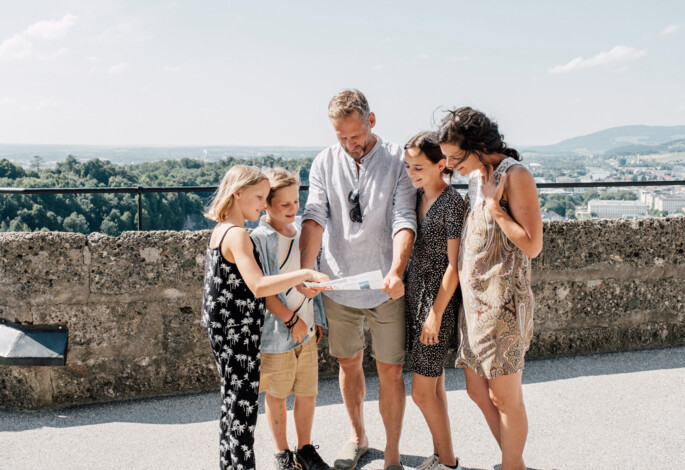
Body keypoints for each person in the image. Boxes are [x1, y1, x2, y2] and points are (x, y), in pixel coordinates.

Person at [300, 89, 417, 470]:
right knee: (348, 364)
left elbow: (404, 218)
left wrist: (397, 271)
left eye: (355, 135)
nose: (350, 145)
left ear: (372, 120)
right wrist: (306, 271)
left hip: (385, 285)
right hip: (338, 283)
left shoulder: (398, 159)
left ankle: (393, 453)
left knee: (391, 370)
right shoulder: (324, 161)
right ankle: (358, 439)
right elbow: (314, 215)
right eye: (341, 137)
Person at [200, 165, 328, 470]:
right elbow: (258, 286)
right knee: (243, 412)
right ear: (237, 193)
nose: (262, 202)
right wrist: (305, 273)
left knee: (231, 406)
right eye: (259, 196)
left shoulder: (220, 230)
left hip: (222, 330)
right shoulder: (239, 236)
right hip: (238, 332)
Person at [437, 107, 543, 470]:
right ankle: (515, 463)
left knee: (504, 397)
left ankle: (512, 465)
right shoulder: (476, 177)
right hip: (475, 306)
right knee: (477, 391)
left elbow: (532, 245)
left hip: (504, 305)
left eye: (455, 157)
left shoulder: (516, 176)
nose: (449, 166)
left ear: (478, 146)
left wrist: (495, 208)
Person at [250, 168, 330, 470]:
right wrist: (290, 320)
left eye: (296, 201)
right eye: (284, 204)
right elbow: (264, 290)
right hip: (278, 332)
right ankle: (283, 452)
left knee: (308, 393)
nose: (293, 209)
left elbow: (314, 276)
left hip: (307, 329)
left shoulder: (301, 229)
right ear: (267, 205)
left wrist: (316, 319)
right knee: (277, 394)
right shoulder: (259, 238)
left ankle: (305, 448)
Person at [403, 131, 465, 470]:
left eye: (418, 167)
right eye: (408, 167)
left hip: (436, 303)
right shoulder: (415, 198)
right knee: (435, 388)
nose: (411, 174)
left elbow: (454, 266)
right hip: (415, 297)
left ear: (441, 164)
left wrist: (435, 314)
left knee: (422, 392)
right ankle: (443, 457)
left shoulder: (454, 202)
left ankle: (449, 461)